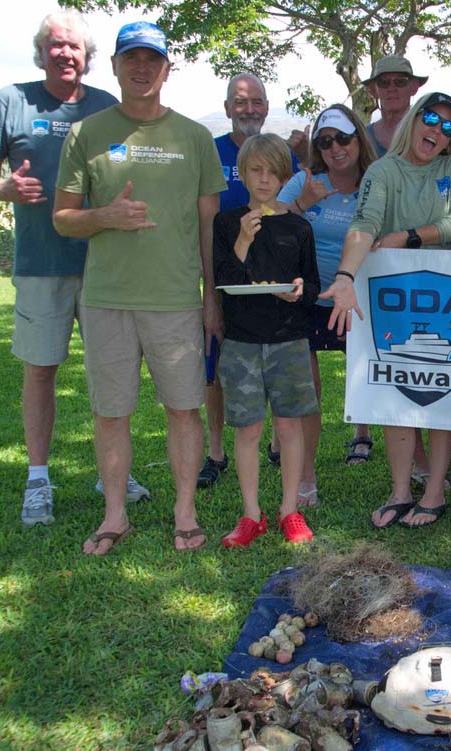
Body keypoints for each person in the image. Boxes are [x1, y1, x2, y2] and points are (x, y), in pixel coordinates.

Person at [54, 21, 226, 555]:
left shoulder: (194, 137)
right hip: (106, 299)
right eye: (132, 57)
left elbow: (208, 228)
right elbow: (63, 217)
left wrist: (211, 298)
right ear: (115, 67)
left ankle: (185, 513)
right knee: (111, 413)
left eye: (153, 59)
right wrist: (104, 215)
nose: (142, 68)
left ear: (167, 69)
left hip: (175, 300)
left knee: (183, 410)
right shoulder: (86, 133)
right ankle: (114, 516)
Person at [0, 10, 119, 528]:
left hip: (103, 264)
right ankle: (38, 479)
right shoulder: (12, 99)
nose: (65, 54)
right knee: (40, 371)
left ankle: (112, 475)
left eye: (74, 47)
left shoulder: (107, 106)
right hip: (40, 264)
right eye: (56, 46)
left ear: (87, 56)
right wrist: (6, 188)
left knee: (109, 373)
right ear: (42, 52)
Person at [320, 91, 451, 529]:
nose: (437, 131)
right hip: (397, 298)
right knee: (397, 392)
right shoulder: (383, 170)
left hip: (449, 297)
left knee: (443, 393)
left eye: (449, 127)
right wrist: (346, 277)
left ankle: (436, 491)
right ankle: (401, 490)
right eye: (431, 119)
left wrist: (407, 236)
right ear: (414, 119)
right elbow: (365, 225)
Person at [213, 133, 320, 547]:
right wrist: (242, 240)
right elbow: (225, 281)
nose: (263, 179)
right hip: (241, 340)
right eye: (255, 171)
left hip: (288, 340)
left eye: (272, 172)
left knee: (289, 424)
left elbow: (310, 286)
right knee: (247, 429)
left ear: (284, 176)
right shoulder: (227, 223)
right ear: (242, 173)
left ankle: (289, 510)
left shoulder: (297, 227)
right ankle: (251, 513)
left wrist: (297, 290)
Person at [278, 104, 378, 504]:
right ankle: (305, 478)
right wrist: (301, 204)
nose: (336, 148)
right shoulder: (305, 180)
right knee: (307, 390)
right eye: (325, 141)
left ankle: (411, 462)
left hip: (359, 298)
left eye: (343, 138)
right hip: (305, 299)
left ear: (359, 139)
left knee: (377, 380)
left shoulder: (377, 181)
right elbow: (267, 226)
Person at [198, 72, 275, 489]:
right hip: (222, 280)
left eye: (257, 101)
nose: (249, 109)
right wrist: (210, 295)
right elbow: (202, 224)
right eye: (240, 102)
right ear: (227, 108)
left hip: (272, 284)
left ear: (266, 107)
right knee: (217, 366)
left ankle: (279, 444)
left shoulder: (280, 152)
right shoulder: (210, 153)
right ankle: (215, 451)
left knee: (274, 361)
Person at [363, 55, 428, 156]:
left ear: (414, 87)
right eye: (383, 83)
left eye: (400, 82)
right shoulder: (363, 138)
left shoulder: (429, 134)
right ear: (373, 90)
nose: (392, 88)